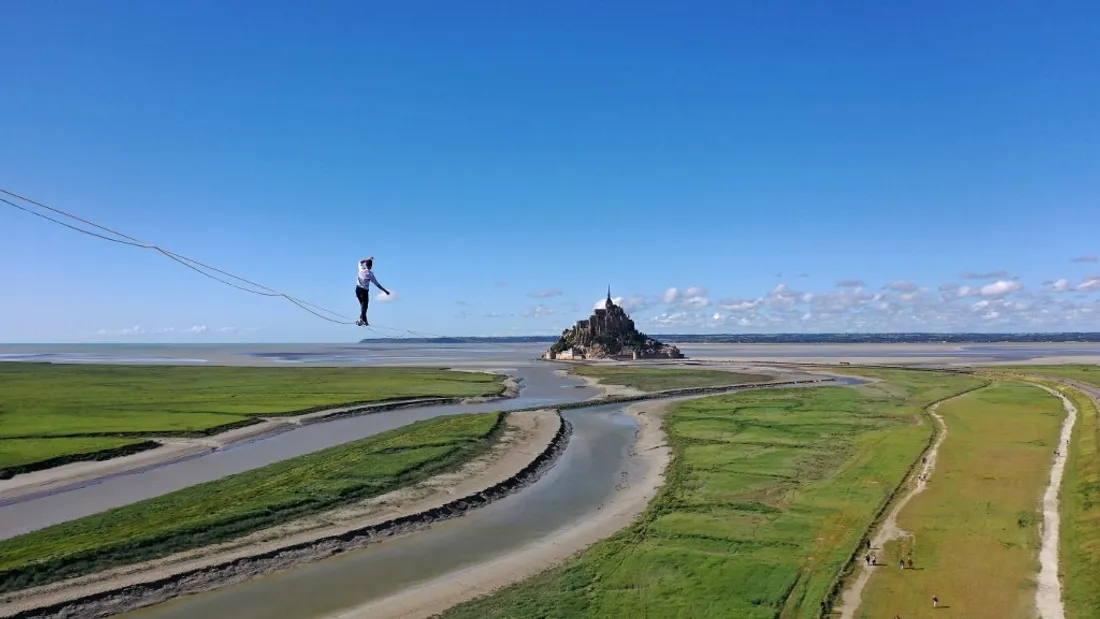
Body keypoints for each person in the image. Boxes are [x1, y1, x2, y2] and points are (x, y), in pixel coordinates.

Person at [355, 257, 389, 326]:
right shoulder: (370, 274)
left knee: (363, 306)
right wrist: (385, 291)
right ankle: (361, 319)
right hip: (364, 291)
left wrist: (368, 259)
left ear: (366, 265)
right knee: (365, 306)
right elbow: (377, 284)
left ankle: (365, 320)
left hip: (358, 289)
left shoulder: (361, 269)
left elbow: (360, 262)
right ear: (371, 266)